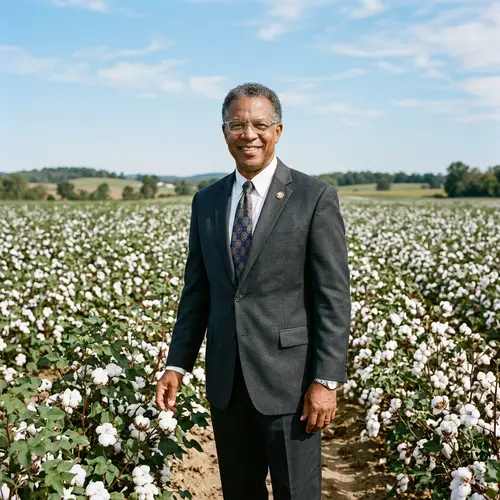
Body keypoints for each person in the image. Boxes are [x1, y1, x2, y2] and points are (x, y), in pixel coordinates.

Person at [156, 82, 351, 500]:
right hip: (227, 383)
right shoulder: (206, 202)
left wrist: (326, 381)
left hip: (292, 385)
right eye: (237, 125)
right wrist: (177, 364)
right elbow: (198, 293)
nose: (249, 135)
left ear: (278, 130)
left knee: (296, 493)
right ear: (224, 132)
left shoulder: (314, 198)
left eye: (260, 124)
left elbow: (332, 297)